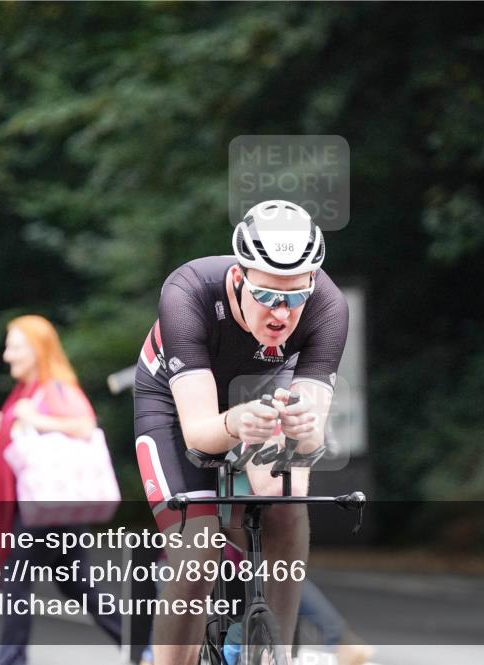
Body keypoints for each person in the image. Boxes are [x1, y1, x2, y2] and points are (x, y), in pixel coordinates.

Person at [134, 200, 349, 665]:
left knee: (287, 506)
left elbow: (308, 443)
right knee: (199, 550)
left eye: (296, 297)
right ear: (238, 278)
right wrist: (234, 422)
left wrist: (304, 430)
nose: (282, 314)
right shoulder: (188, 290)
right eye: (268, 295)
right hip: (177, 402)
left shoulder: (329, 307)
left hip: (263, 388)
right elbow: (199, 435)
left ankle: (277, 651)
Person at [0, 314, 121, 665]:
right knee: (75, 583)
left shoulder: (54, 387)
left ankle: (10, 660)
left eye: (14, 347)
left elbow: (84, 425)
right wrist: (5, 428)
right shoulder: (25, 392)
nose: (7, 355)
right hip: (44, 505)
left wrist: (35, 420)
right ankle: (145, 642)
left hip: (47, 505)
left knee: (17, 582)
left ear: (36, 350)